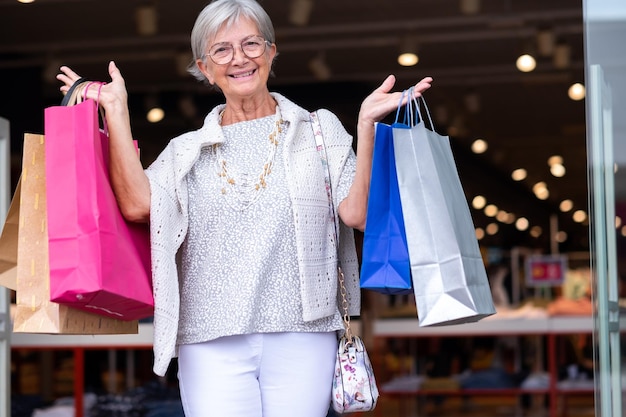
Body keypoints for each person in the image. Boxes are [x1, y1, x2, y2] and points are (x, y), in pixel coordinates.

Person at [57, 0, 432, 415]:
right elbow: (136, 205)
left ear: (272, 50)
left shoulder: (319, 130)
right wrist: (117, 110)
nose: (239, 59)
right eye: (222, 50)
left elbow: (356, 215)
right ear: (203, 66)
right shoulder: (185, 151)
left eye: (251, 43)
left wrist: (366, 128)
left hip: (302, 334)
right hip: (207, 338)